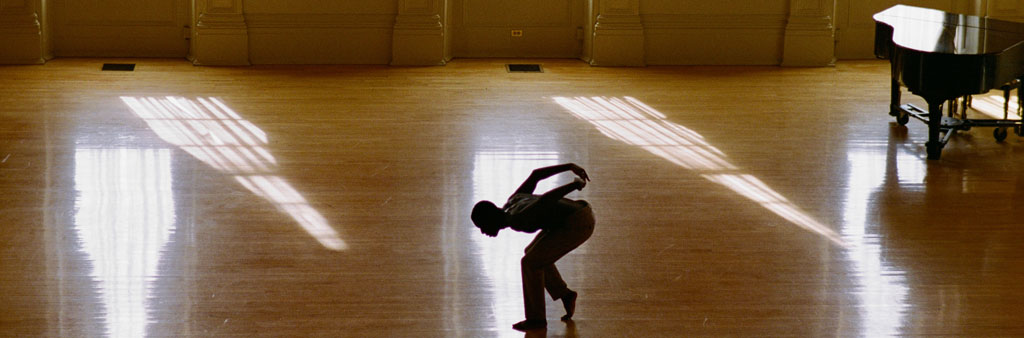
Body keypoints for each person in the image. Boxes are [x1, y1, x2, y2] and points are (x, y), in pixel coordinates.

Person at [471, 163, 595, 332]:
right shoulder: (512, 201)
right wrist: (569, 166)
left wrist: (574, 184)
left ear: (491, 218)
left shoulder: (517, 217)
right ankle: (565, 294)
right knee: (533, 255)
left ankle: (536, 320)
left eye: (482, 226)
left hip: (579, 223)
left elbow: (546, 199)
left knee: (530, 262)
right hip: (575, 215)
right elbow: (536, 175)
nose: (483, 232)